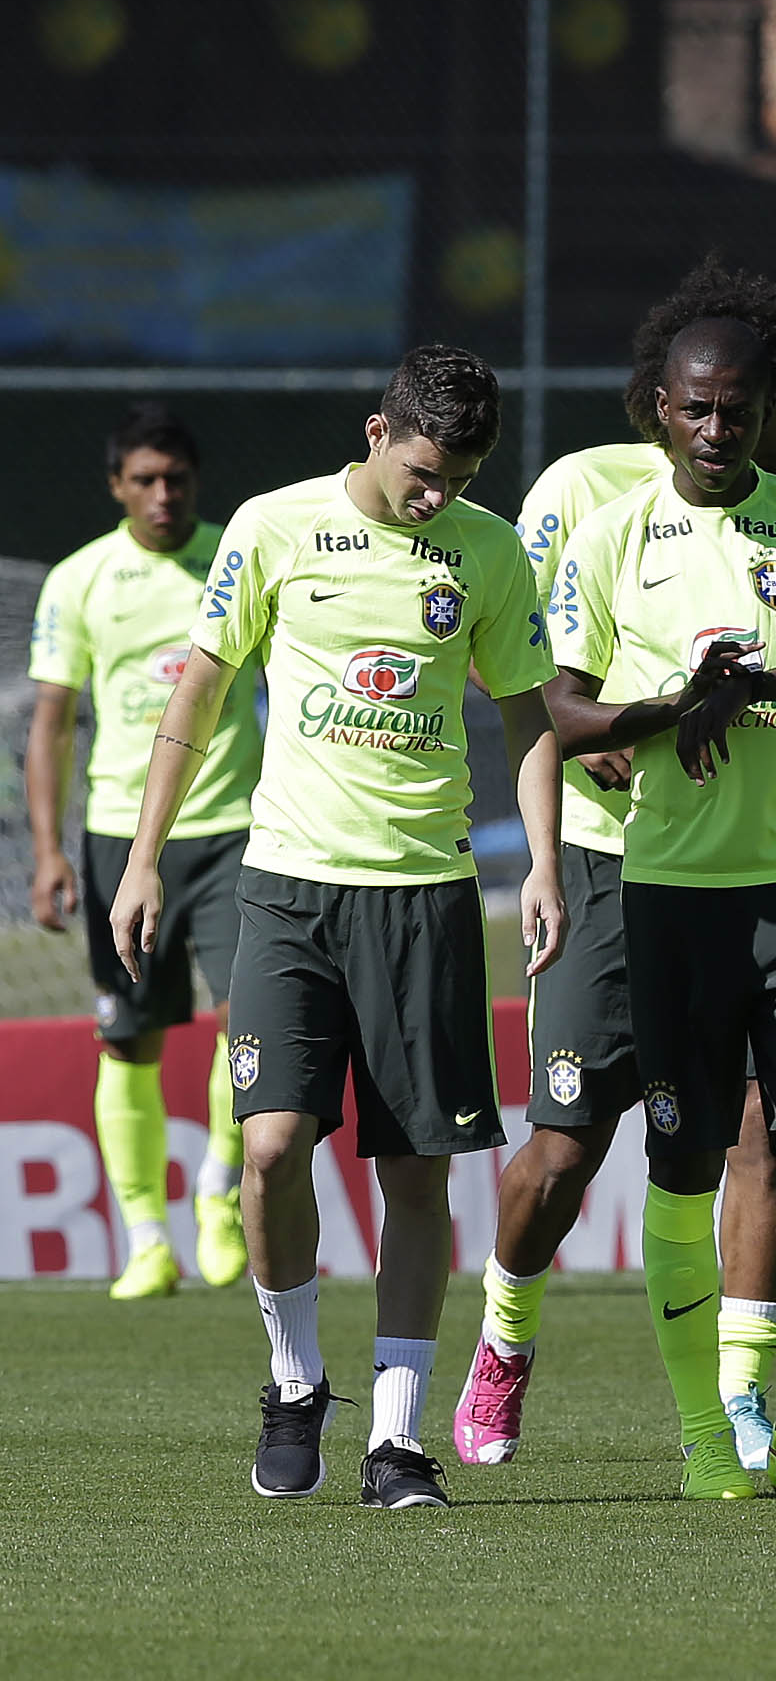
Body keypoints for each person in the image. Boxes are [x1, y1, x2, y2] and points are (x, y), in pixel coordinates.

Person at [114, 346, 564, 1509]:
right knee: (269, 1149)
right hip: (288, 890)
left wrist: (548, 868)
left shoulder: (488, 549)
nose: (437, 498)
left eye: (458, 479)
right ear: (376, 431)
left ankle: (399, 1443)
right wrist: (146, 861)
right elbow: (197, 699)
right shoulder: (271, 529)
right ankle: (295, 1379)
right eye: (423, 471)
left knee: (416, 1173)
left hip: (426, 896)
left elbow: (530, 721)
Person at [459, 260, 776, 1474]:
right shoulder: (585, 493)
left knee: (754, 1141)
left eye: (774, 401)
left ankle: (736, 1409)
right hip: (607, 862)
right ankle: (505, 1341)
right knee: (564, 1147)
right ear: (678, 399)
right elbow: (508, 659)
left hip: (745, 869)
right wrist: (609, 748)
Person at [543, 316, 776, 1498]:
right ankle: (706, 1434)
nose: (715, 429)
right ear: (659, 407)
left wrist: (754, 683)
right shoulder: (609, 535)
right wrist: (667, 708)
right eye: (695, 408)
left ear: (762, 409)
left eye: (736, 409)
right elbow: (565, 713)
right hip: (671, 892)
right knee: (684, 1160)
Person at [29, 402, 258, 1301]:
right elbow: (51, 725)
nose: (164, 496)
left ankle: (215, 1199)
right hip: (121, 838)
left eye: (178, 481)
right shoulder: (81, 579)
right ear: (118, 486)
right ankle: (144, 1240)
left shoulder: (235, 561)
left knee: (254, 1022)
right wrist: (50, 852)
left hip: (237, 827)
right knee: (128, 1039)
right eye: (146, 481)